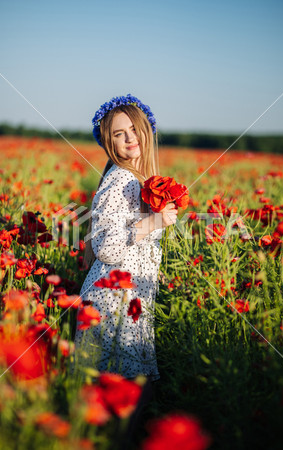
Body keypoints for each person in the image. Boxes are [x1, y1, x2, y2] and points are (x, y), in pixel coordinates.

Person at [72, 95, 178, 385]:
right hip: (114, 301)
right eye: (120, 134)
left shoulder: (137, 178)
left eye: (134, 129)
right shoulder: (121, 179)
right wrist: (155, 221)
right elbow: (107, 248)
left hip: (130, 298)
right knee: (119, 392)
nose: (130, 138)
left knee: (118, 393)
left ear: (147, 129)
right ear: (110, 144)